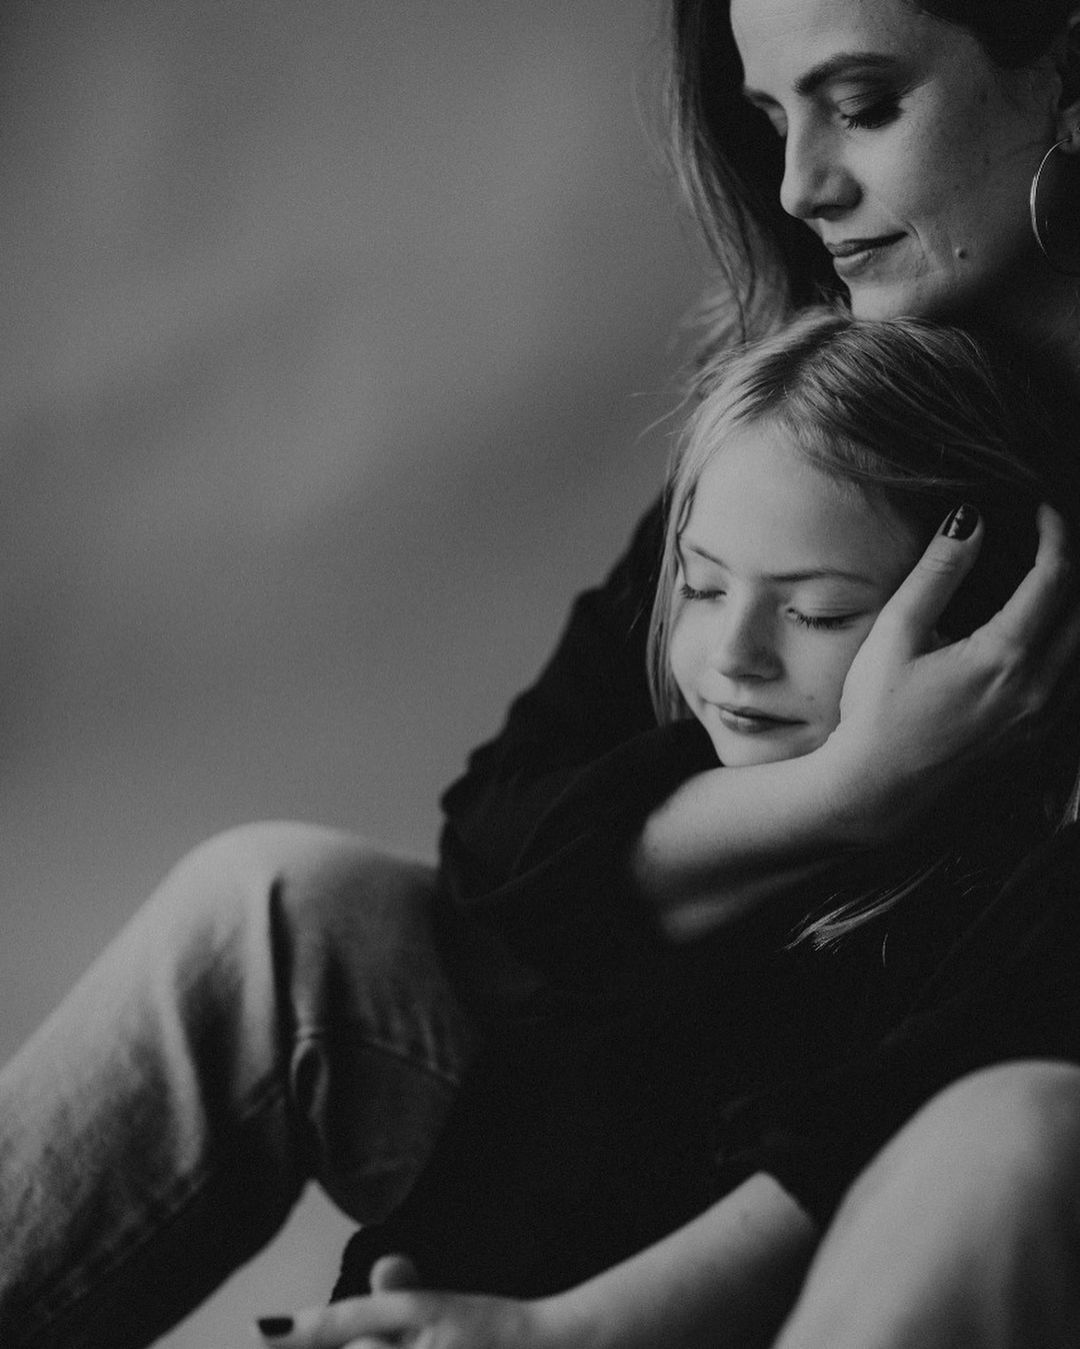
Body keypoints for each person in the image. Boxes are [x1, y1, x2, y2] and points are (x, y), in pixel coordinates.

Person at [2, 0, 1080, 1345]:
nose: (799, 184)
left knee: (1020, 1130)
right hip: (661, 1099)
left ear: (1065, 71)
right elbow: (500, 841)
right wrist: (843, 792)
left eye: (863, 103)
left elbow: (1007, 1027)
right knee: (273, 898)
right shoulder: (831, 400)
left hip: (891, 1193)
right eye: (770, 118)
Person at [304, 307, 1080, 1346]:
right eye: (704, 586)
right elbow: (487, 860)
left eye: (816, 613)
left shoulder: (989, 913)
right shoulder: (681, 831)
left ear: (983, 628)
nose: (734, 655)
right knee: (269, 887)